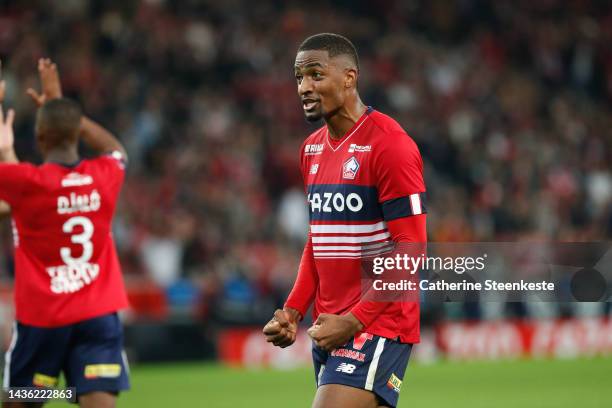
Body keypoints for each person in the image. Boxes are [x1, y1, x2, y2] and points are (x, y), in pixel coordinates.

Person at [263, 33, 427, 408]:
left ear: (349, 78)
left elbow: (412, 247)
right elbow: (319, 240)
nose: (304, 87)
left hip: (378, 321)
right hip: (329, 326)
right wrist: (293, 310)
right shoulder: (312, 149)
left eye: (316, 75)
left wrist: (354, 321)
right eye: (299, 77)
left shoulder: (390, 145)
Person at [0, 59, 130, 408]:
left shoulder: (27, 183)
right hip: (97, 318)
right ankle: (73, 392)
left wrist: (3, 147)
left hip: (43, 321)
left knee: (22, 399)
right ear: (76, 134)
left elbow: (12, 191)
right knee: (96, 400)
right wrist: (60, 105)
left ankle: (56, 393)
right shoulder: (105, 174)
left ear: (40, 138)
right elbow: (116, 148)